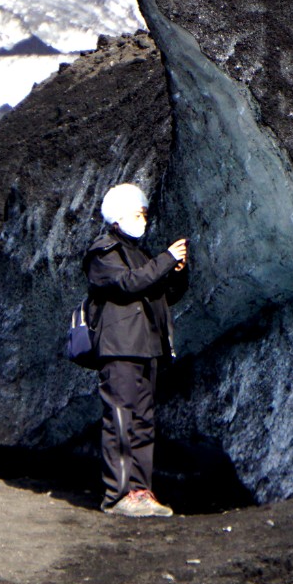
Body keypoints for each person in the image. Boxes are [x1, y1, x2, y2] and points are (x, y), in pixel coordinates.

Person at [83, 182, 189, 517]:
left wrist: (176, 273)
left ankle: (140, 492)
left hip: (146, 348)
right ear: (117, 217)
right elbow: (129, 284)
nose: (143, 217)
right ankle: (117, 495)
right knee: (121, 418)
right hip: (120, 349)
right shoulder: (103, 253)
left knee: (143, 421)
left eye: (143, 211)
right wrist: (165, 260)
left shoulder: (141, 255)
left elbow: (162, 295)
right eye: (137, 212)